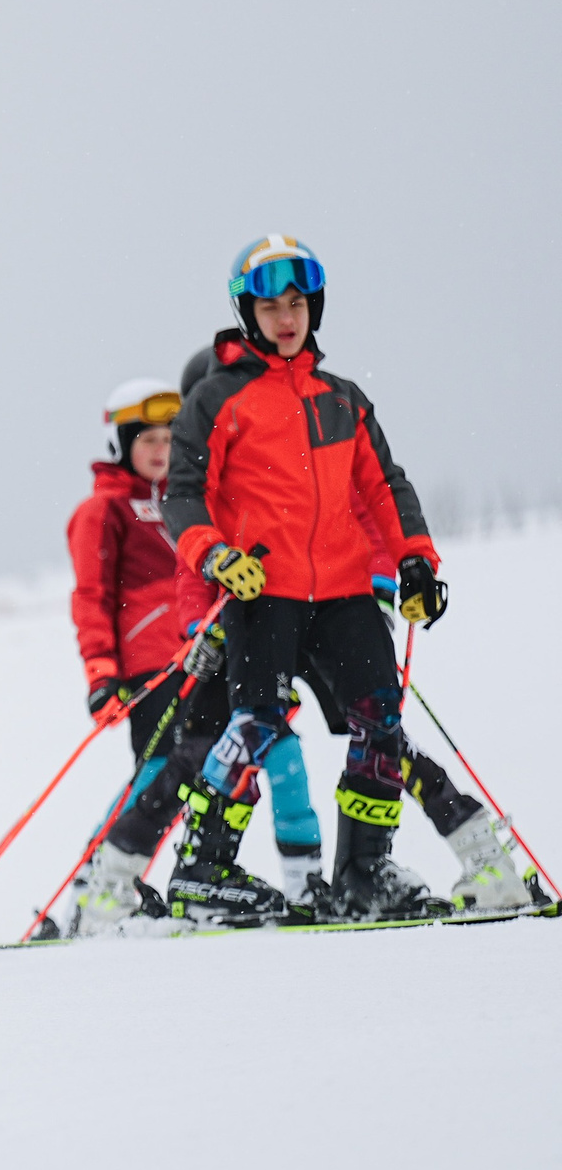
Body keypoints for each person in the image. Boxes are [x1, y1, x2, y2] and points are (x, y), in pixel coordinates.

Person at [78, 236, 466, 928]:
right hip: (237, 612)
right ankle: (155, 876)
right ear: (246, 313)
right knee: (223, 741)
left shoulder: (341, 399)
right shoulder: (212, 409)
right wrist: (206, 571)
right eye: (269, 306)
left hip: (336, 594)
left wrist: (409, 564)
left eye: (297, 304)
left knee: (370, 724)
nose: (286, 318)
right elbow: (174, 518)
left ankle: (352, 874)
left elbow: (379, 491)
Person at [54, 378, 186, 929]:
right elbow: (91, 596)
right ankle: (94, 884)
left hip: (199, 659)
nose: (160, 450)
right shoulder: (103, 510)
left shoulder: (185, 504)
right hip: (148, 667)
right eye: (148, 439)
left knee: (196, 777)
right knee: (158, 775)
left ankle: (172, 881)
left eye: (169, 439)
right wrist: (101, 673)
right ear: (123, 444)